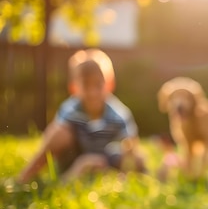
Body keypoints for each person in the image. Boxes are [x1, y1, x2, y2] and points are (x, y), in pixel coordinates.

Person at [17, 49, 145, 183]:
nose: (92, 93)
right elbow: (57, 137)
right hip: (75, 160)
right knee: (59, 133)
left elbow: (131, 144)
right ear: (74, 88)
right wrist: (84, 162)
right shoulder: (71, 109)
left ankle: (123, 181)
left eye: (98, 85)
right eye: (86, 85)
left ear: (109, 85)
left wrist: (119, 160)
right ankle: (25, 178)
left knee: (135, 155)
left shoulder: (118, 114)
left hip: (106, 162)